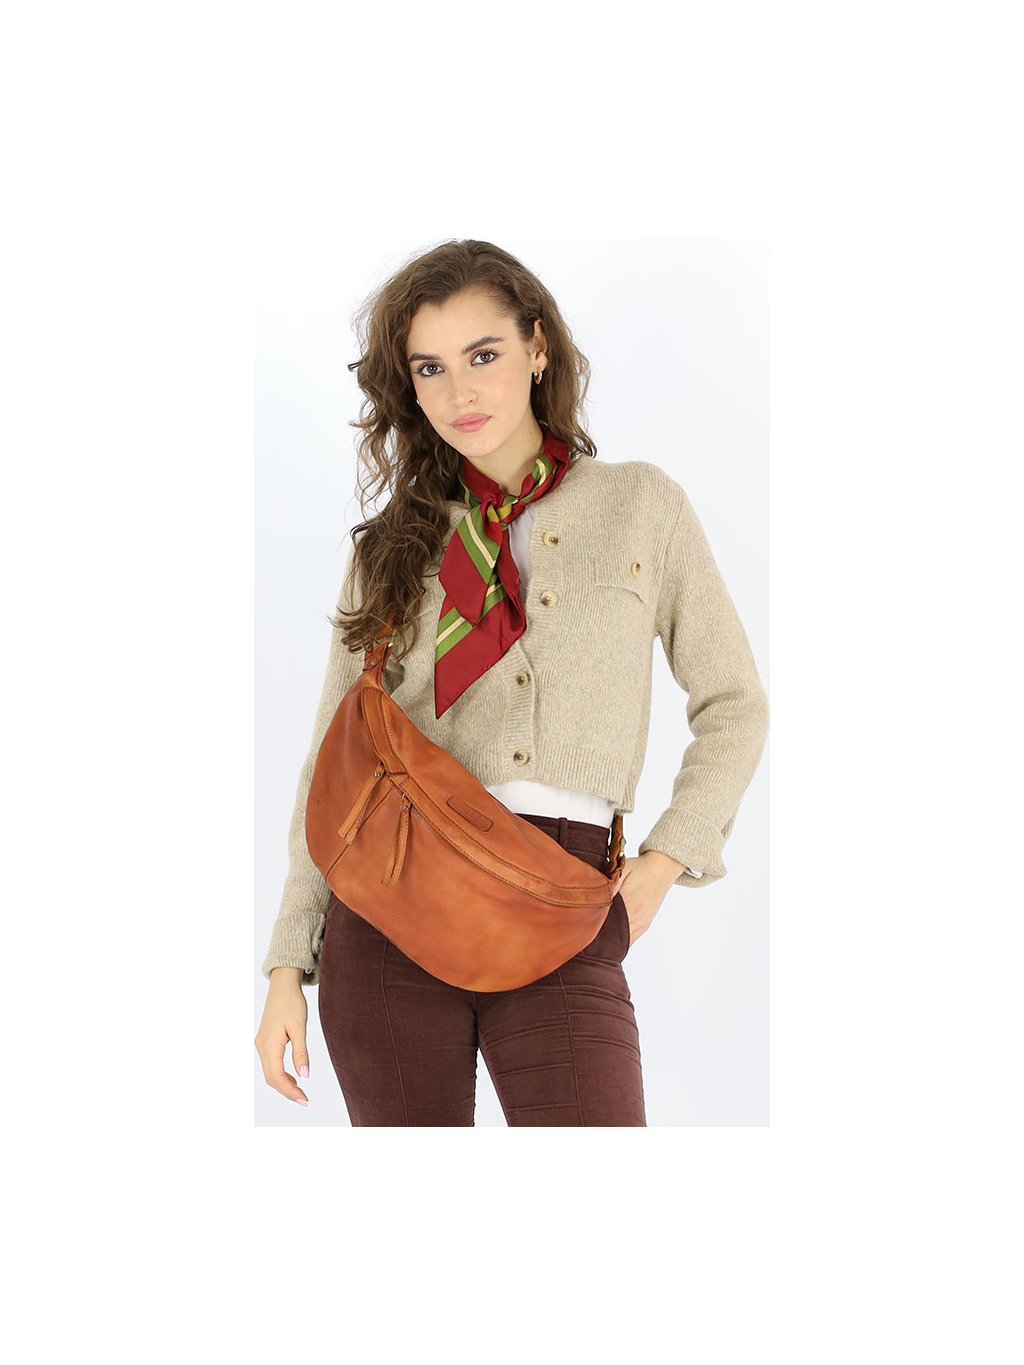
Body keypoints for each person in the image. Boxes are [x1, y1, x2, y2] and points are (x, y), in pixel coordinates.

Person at [255, 239, 768, 1126]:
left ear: (537, 349)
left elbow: (735, 704)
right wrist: (286, 967)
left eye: (483, 355)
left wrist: (661, 864)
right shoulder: (389, 547)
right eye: (431, 368)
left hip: (564, 908)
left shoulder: (641, 504)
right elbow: (330, 764)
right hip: (387, 917)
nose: (460, 392)